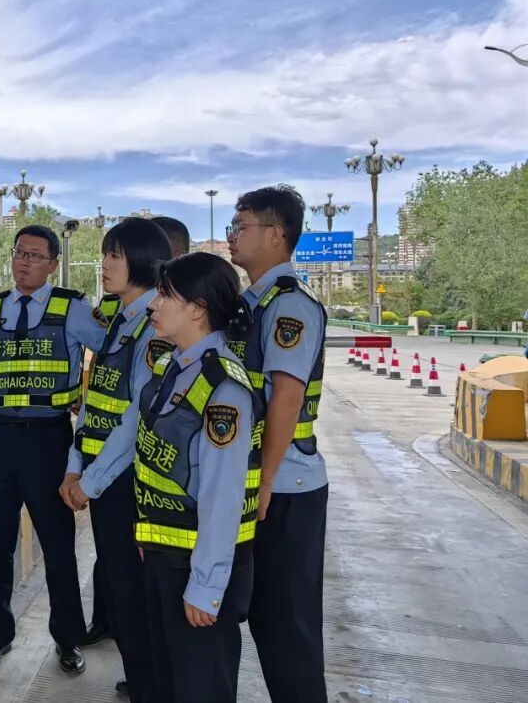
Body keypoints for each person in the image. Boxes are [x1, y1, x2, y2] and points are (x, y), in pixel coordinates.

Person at [0, 225, 106, 674]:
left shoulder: (72, 308)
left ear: (53, 264)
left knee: (58, 545)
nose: (23, 262)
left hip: (49, 439)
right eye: (19, 253)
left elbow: (111, 353)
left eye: (34, 256)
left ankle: (68, 638)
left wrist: (89, 416)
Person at [134, 252, 262, 702]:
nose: (153, 304)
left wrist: (206, 586)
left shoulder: (223, 389)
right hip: (167, 556)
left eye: (165, 295)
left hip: (196, 566)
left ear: (197, 309)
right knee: (169, 684)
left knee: (201, 688)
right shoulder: (176, 369)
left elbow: (223, 497)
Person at [61, 218, 173, 702]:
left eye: (115, 255)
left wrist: (91, 481)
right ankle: (142, 680)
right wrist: (75, 464)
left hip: (129, 484)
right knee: (122, 591)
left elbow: (136, 419)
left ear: (143, 261)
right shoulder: (120, 321)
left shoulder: (154, 328)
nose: (104, 264)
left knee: (134, 595)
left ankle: (151, 687)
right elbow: (94, 403)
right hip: (102, 477)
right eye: (105, 254)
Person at [228, 185, 329, 702]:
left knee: (287, 627)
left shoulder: (290, 305)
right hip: (261, 484)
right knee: (265, 617)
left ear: (275, 234)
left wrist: (263, 485)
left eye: (241, 226)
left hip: (285, 487)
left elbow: (286, 399)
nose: (231, 236)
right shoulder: (252, 303)